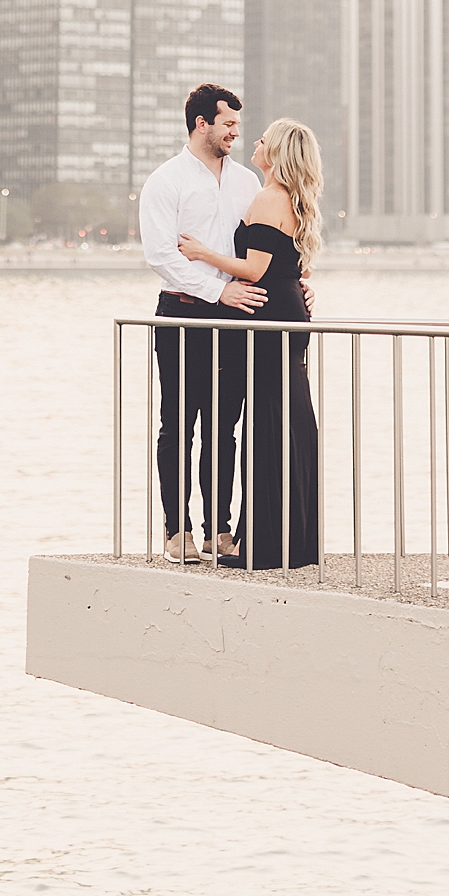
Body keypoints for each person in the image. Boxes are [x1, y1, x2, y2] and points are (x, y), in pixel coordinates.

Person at [178, 117, 322, 571]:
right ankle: (289, 537)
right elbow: (290, 267)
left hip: (270, 320)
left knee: (269, 424)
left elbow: (255, 268)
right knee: (288, 421)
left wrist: (202, 253)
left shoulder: (267, 198)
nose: (254, 143)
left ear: (275, 153)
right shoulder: (295, 202)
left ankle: (266, 542)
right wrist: (299, 288)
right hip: (287, 314)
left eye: (262, 139)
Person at [137, 85, 266, 563]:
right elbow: (160, 255)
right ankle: (177, 533)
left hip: (233, 318)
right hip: (182, 314)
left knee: (223, 426)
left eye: (236, 123)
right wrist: (217, 290)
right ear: (201, 124)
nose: (236, 131)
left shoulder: (247, 183)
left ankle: (219, 530)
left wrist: (299, 283)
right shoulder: (165, 181)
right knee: (178, 425)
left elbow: (258, 251)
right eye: (228, 123)